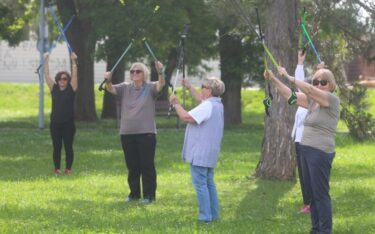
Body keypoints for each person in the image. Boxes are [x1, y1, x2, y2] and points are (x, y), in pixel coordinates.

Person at [264, 63, 340, 234]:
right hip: (306, 150)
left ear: (331, 84)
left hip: (320, 153)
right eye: (316, 82)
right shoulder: (312, 102)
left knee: (321, 194)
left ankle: (325, 231)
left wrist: (289, 76)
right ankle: (315, 229)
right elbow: (290, 96)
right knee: (311, 194)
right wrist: (274, 79)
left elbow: (310, 91)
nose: (319, 85)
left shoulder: (331, 99)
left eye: (324, 82)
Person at [104, 61, 165, 204]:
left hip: (146, 133)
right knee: (132, 166)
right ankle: (134, 194)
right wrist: (108, 79)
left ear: (144, 74)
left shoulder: (150, 88)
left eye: (138, 71)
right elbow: (110, 88)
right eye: (132, 71)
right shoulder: (125, 88)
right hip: (127, 133)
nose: (134, 74)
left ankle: (149, 195)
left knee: (147, 165)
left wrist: (160, 71)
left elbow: (161, 84)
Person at [169, 77, 225, 223]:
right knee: (209, 183)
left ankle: (205, 217)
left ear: (209, 90)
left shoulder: (207, 106)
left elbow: (186, 117)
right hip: (210, 152)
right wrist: (189, 87)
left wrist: (176, 104)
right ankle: (213, 215)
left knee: (201, 184)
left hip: (201, 152)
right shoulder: (216, 104)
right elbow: (201, 99)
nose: (201, 89)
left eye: (203, 86)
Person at [44, 52, 78, 176]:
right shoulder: (54, 89)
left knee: (68, 147)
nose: (61, 80)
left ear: (67, 80)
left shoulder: (71, 89)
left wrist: (74, 62)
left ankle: (68, 169)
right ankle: (57, 169)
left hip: (68, 124)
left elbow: (75, 76)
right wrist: (46, 60)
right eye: (59, 78)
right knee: (56, 147)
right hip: (55, 124)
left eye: (64, 79)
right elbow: (46, 75)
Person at [292, 51, 311, 214]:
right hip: (298, 142)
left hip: (309, 143)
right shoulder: (302, 99)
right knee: (303, 175)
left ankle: (313, 203)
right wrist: (300, 63)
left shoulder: (313, 101)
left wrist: (322, 70)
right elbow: (298, 82)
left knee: (309, 175)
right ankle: (308, 204)